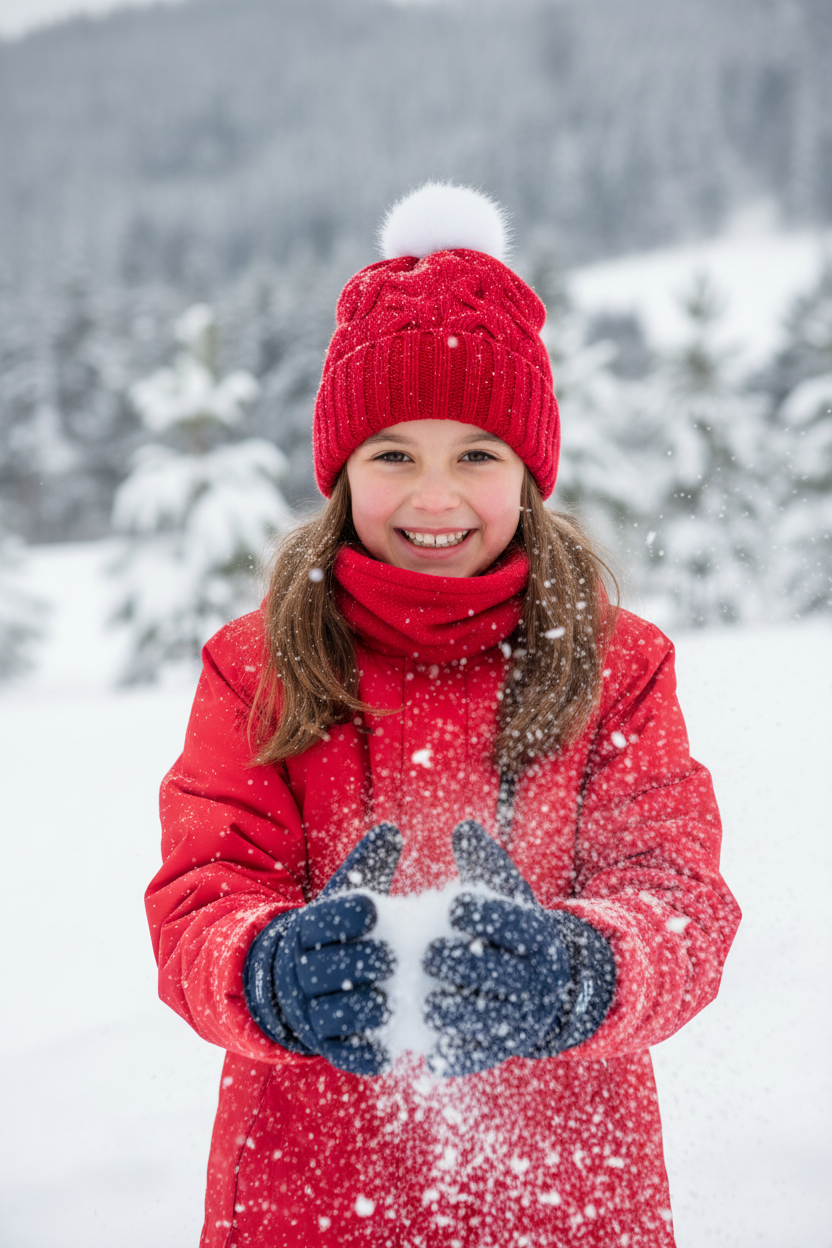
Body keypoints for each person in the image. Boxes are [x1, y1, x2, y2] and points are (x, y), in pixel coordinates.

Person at [146, 183, 740, 1248]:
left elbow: (677, 895)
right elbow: (201, 897)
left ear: (528, 471)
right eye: (393, 456)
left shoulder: (620, 665)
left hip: (566, 1201)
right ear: (339, 472)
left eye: (475, 454)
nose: (434, 498)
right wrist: (269, 969)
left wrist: (581, 968)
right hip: (305, 1201)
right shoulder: (256, 667)